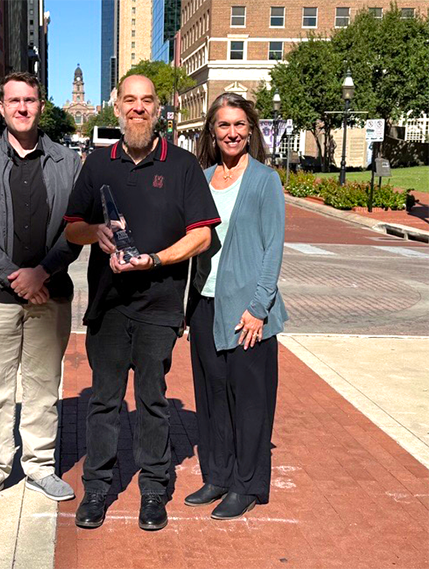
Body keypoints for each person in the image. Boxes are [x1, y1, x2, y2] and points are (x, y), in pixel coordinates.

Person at [64, 74, 220, 531]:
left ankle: (154, 489)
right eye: (129, 100)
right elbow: (72, 226)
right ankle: (97, 488)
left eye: (146, 101)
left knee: (153, 401)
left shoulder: (183, 165)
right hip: (109, 306)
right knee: (104, 402)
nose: (137, 108)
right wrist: (96, 232)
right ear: (117, 109)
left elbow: (202, 235)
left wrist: (153, 259)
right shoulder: (97, 163)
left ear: (158, 110)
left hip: (160, 306)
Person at [0, 72, 81, 508]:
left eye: (30, 100)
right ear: (2, 107)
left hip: (51, 294)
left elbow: (77, 228)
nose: (22, 107)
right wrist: (17, 276)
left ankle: (39, 467)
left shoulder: (68, 162)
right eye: (14, 101)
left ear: (40, 106)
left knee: (44, 386)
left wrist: (42, 273)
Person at [184, 92, 288, 520]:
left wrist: (259, 307)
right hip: (205, 307)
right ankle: (218, 476)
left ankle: (246, 485)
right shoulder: (202, 177)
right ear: (212, 130)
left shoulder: (265, 180)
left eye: (239, 125)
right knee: (211, 398)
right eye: (224, 125)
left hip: (248, 312)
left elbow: (272, 248)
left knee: (249, 402)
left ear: (251, 131)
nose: (231, 133)